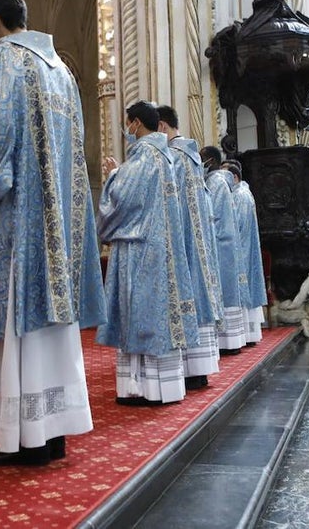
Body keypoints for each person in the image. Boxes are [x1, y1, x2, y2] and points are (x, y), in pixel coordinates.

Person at [0, 0, 106, 466]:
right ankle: (52, 429)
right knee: (48, 328)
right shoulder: (60, 69)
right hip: (57, 228)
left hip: (17, 224)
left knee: (14, 322)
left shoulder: (8, 60)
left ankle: (19, 435)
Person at [98, 101, 200, 406]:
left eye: (127, 123)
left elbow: (122, 200)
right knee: (157, 316)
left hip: (141, 250)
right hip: (163, 247)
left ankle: (141, 388)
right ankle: (160, 386)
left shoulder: (144, 157)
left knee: (142, 316)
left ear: (136, 124)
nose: (126, 130)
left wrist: (114, 175)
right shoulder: (167, 157)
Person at [157, 104, 223, 391]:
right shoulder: (193, 156)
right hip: (198, 243)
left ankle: (187, 368)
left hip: (180, 240)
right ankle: (198, 367)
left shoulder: (173, 156)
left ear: (161, 127)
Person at [200, 146, 247, 354]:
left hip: (220, 243)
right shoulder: (220, 182)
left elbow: (213, 216)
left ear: (209, 161)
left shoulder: (216, 182)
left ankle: (229, 342)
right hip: (224, 242)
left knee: (224, 292)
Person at [224, 160, 267, 345]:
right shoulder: (242, 193)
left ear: (234, 177)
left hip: (241, 251)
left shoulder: (240, 195)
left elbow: (236, 227)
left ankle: (246, 336)